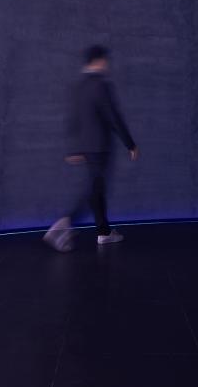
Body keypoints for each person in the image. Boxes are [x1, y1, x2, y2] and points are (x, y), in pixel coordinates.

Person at [44, 44, 138, 252]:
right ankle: (64, 225)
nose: (107, 65)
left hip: (86, 148)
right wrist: (130, 143)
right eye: (106, 61)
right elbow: (113, 117)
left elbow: (72, 119)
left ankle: (104, 232)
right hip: (100, 148)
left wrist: (74, 149)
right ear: (99, 61)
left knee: (97, 189)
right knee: (95, 191)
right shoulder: (101, 85)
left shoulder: (79, 86)